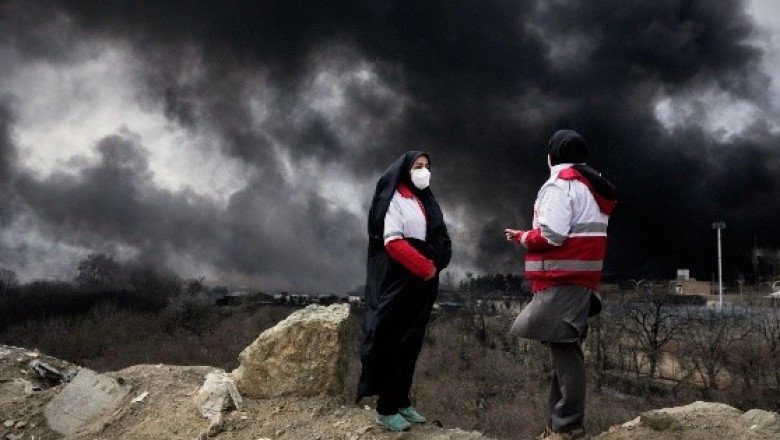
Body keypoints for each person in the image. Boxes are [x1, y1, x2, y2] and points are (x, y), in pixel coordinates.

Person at [505, 130, 616, 440]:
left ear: (554, 154)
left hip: (561, 278)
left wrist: (524, 237)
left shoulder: (561, 184)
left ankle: (568, 426)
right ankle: (558, 425)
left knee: (566, 352)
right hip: (577, 278)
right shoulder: (591, 184)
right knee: (561, 350)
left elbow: (552, 235)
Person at [356, 151, 452, 432]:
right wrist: (425, 267)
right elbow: (393, 242)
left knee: (412, 343)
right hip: (400, 281)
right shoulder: (394, 200)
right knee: (392, 342)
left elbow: (439, 236)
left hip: (423, 285)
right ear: (404, 170)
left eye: (427, 166)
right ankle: (385, 408)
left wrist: (437, 262)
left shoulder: (425, 200)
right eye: (417, 166)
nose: (424, 171)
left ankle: (402, 401)